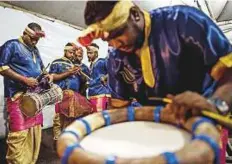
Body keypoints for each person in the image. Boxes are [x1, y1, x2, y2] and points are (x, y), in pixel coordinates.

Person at [78, 1, 232, 163]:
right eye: (107, 40)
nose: (115, 44)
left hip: (202, 129)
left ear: (135, 15)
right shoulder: (116, 59)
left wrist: (215, 104)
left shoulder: (184, 20)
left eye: (117, 33)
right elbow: (118, 109)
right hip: (155, 136)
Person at [0, 22, 52, 164]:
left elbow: (41, 69)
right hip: (17, 96)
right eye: (32, 38)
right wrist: (24, 80)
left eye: (37, 40)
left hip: (35, 97)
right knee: (19, 132)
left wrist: (47, 75)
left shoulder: (35, 50)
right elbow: (2, 68)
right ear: (25, 33)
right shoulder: (12, 45)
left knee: (34, 131)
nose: (35, 42)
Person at [50, 43, 92, 142]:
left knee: (72, 119)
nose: (73, 55)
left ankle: (69, 140)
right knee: (59, 119)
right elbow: (51, 77)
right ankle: (58, 142)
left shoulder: (78, 66)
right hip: (61, 95)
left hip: (76, 96)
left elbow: (86, 81)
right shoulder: (57, 62)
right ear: (65, 51)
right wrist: (68, 72)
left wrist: (80, 74)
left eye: (75, 53)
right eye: (71, 52)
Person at [86, 43, 111, 112]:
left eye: (91, 53)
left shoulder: (102, 61)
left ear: (96, 53)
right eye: (87, 53)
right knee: (94, 117)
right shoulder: (90, 65)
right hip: (92, 94)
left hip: (102, 93)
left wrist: (105, 77)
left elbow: (113, 71)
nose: (88, 55)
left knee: (100, 117)